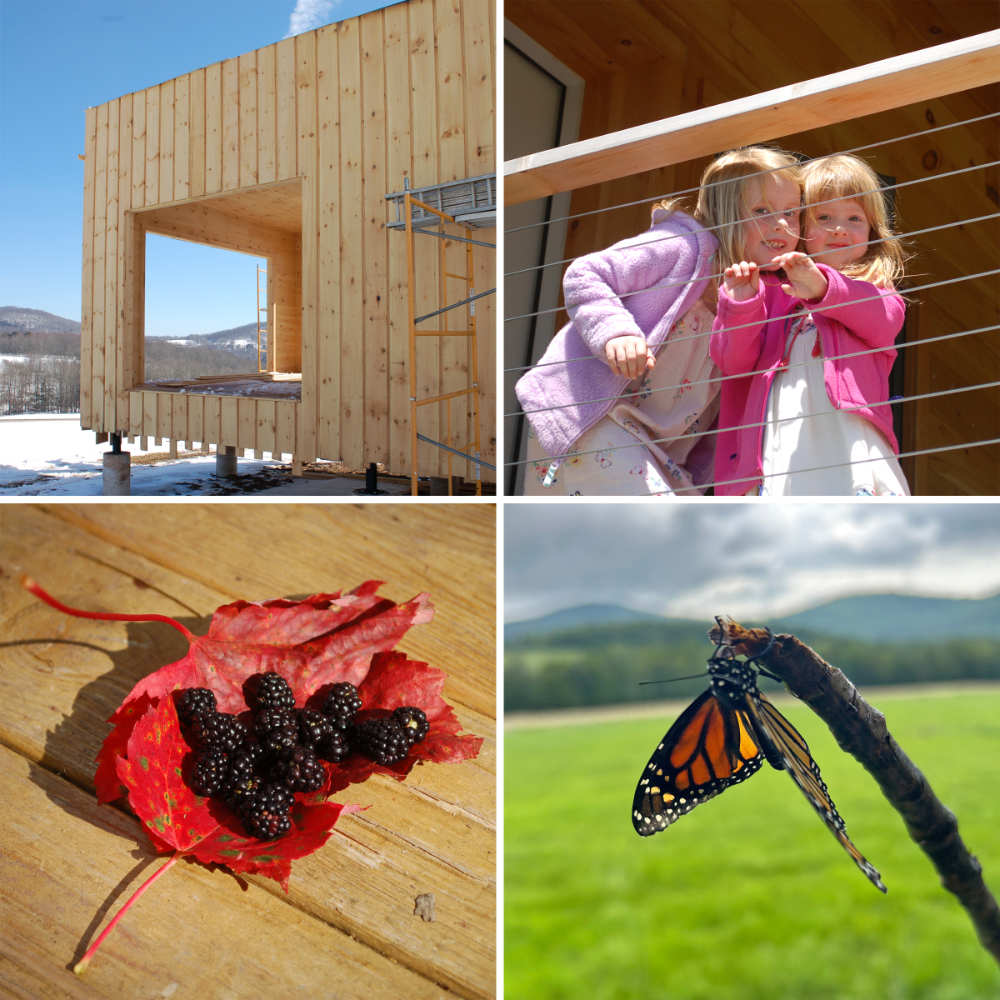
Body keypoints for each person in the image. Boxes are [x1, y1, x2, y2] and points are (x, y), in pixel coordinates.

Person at [515, 146, 801, 496]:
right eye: (762, 211)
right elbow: (586, 273)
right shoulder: (680, 246)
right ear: (727, 213)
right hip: (593, 416)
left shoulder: (763, 296)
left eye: (792, 212)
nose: (782, 224)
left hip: (658, 450)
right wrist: (615, 334)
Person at [710, 152, 908, 496]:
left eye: (854, 219)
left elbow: (886, 321)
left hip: (845, 434)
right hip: (780, 443)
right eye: (824, 217)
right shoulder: (771, 289)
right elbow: (733, 362)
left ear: (873, 229)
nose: (839, 229)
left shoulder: (873, 286)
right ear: (802, 229)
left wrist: (824, 287)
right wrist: (741, 303)